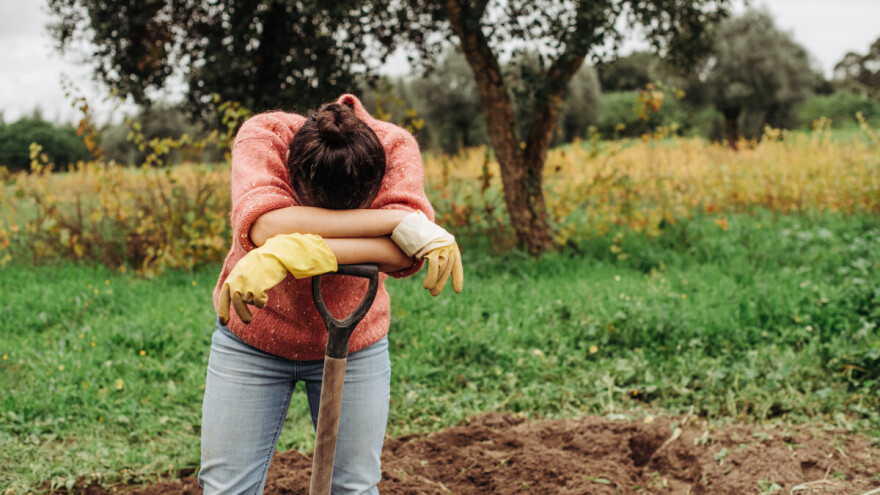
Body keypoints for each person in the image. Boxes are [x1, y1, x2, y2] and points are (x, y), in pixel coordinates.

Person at [199, 94, 462, 495]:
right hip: (253, 340)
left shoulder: (394, 148)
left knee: (354, 489)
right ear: (292, 170)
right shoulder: (263, 136)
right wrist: (397, 221)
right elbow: (265, 226)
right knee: (225, 489)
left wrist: (300, 246)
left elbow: (401, 254)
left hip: (355, 342)